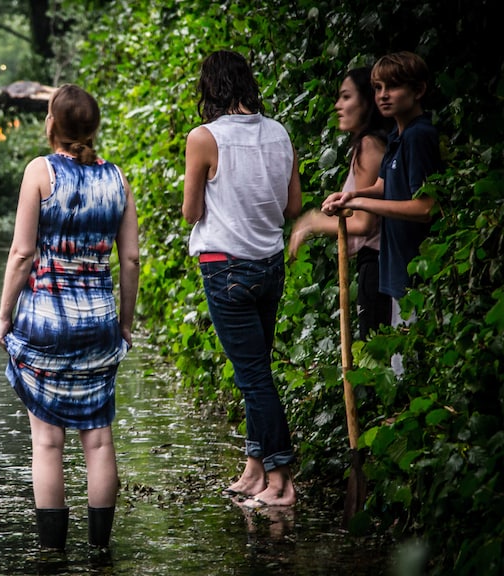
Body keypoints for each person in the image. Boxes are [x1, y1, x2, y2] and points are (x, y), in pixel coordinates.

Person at [0, 84, 139, 550]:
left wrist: (3, 318)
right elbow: (131, 260)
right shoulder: (117, 179)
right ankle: (100, 550)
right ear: (95, 128)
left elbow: (21, 254)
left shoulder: (40, 171)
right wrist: (124, 323)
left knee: (48, 443)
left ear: (51, 124)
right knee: (98, 441)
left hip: (45, 322)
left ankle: (52, 553)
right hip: (98, 321)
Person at [182, 50, 302, 508]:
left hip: (225, 267)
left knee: (253, 377)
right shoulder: (279, 133)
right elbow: (293, 207)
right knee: (257, 371)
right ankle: (255, 468)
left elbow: (192, 211)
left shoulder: (204, 137)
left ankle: (281, 479)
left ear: (209, 88)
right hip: (270, 266)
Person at [322, 51, 441, 373]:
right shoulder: (396, 135)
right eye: (377, 88)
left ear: (418, 91)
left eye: (393, 87)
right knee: (397, 358)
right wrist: (351, 195)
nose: (383, 95)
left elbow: (426, 206)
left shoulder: (419, 136)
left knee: (410, 367)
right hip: (395, 265)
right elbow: (382, 184)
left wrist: (360, 204)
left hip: (417, 269)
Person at [289, 67, 392, 341]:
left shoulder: (369, 146)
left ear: (367, 102)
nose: (338, 106)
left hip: (378, 264)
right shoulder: (373, 144)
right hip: (380, 264)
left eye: (346, 97)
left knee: (376, 360)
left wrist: (312, 222)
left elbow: (363, 223)